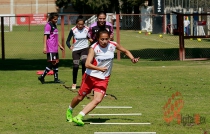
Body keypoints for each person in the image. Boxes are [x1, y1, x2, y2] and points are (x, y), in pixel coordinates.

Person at [66, 29, 139, 126]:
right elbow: (87, 64)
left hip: (104, 78)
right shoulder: (93, 47)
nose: (104, 41)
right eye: (102, 39)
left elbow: (125, 51)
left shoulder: (113, 45)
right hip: (90, 76)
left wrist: (132, 59)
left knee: (98, 99)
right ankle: (70, 110)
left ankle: (79, 116)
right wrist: (98, 68)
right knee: (80, 97)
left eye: (106, 39)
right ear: (98, 39)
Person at [38, 12, 64, 84]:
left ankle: (56, 79)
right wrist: (44, 47)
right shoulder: (48, 25)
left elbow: (55, 38)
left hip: (55, 48)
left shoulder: (54, 25)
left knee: (56, 63)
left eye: (57, 19)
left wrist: (60, 46)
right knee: (52, 63)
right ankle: (42, 76)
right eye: (55, 19)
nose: (56, 20)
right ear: (51, 18)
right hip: (51, 47)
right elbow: (45, 36)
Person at [66, 15, 89, 90]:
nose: (80, 26)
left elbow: (91, 38)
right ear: (76, 23)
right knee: (76, 66)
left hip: (84, 49)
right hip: (76, 50)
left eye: (82, 24)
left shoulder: (87, 29)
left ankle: (83, 82)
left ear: (84, 24)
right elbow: (67, 41)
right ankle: (74, 83)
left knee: (84, 62)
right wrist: (70, 46)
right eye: (79, 24)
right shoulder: (73, 30)